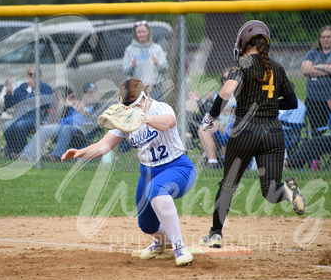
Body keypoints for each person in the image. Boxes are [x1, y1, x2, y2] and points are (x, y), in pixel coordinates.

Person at [61, 78, 196, 267]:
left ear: (146, 96)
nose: (131, 109)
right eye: (128, 106)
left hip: (178, 168)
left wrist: (144, 117)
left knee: (156, 191)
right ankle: (162, 242)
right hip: (148, 172)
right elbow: (103, 146)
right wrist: (79, 153)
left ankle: (179, 246)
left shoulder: (160, 108)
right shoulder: (125, 118)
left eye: (135, 104)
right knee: (147, 225)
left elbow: (167, 123)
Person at [199, 20, 307, 249]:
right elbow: (291, 102)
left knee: (228, 184)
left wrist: (210, 117)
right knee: (270, 191)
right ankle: (288, 192)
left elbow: (227, 91)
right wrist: (266, 102)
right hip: (274, 133)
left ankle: (216, 234)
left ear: (243, 42)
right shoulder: (277, 67)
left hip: (245, 131)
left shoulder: (243, 63)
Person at [21, 82, 105, 162]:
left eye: (92, 92)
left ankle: (56, 156)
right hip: (63, 126)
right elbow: (62, 118)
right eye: (87, 92)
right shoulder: (77, 104)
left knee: (66, 128)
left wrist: (83, 112)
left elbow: (98, 123)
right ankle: (26, 156)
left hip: (81, 132)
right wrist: (67, 107)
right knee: (44, 129)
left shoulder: (99, 107)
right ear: (83, 94)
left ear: (97, 93)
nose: (89, 94)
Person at [3, 64, 54, 158]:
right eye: (31, 74)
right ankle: (12, 151)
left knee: (20, 126)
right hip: (20, 117)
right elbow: (10, 106)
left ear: (41, 76)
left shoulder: (45, 88)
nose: (33, 77)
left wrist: (35, 91)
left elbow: (48, 104)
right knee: (7, 125)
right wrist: (9, 92)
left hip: (36, 117)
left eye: (36, 75)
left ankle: (23, 154)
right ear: (27, 76)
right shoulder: (22, 88)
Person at [196, 70, 236, 168]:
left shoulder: (240, 93)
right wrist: (202, 100)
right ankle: (213, 162)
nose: (226, 81)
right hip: (219, 122)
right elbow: (209, 111)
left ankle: (225, 161)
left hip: (233, 122)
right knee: (203, 129)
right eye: (224, 78)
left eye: (229, 78)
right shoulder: (217, 94)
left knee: (228, 127)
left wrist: (229, 109)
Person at [122, 20, 169, 101]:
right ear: (135, 34)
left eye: (144, 31)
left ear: (148, 32)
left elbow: (166, 68)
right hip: (137, 89)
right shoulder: (130, 49)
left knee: (155, 112)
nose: (142, 34)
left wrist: (157, 63)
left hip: (154, 88)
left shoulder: (156, 48)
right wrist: (132, 66)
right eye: (139, 32)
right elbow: (124, 70)